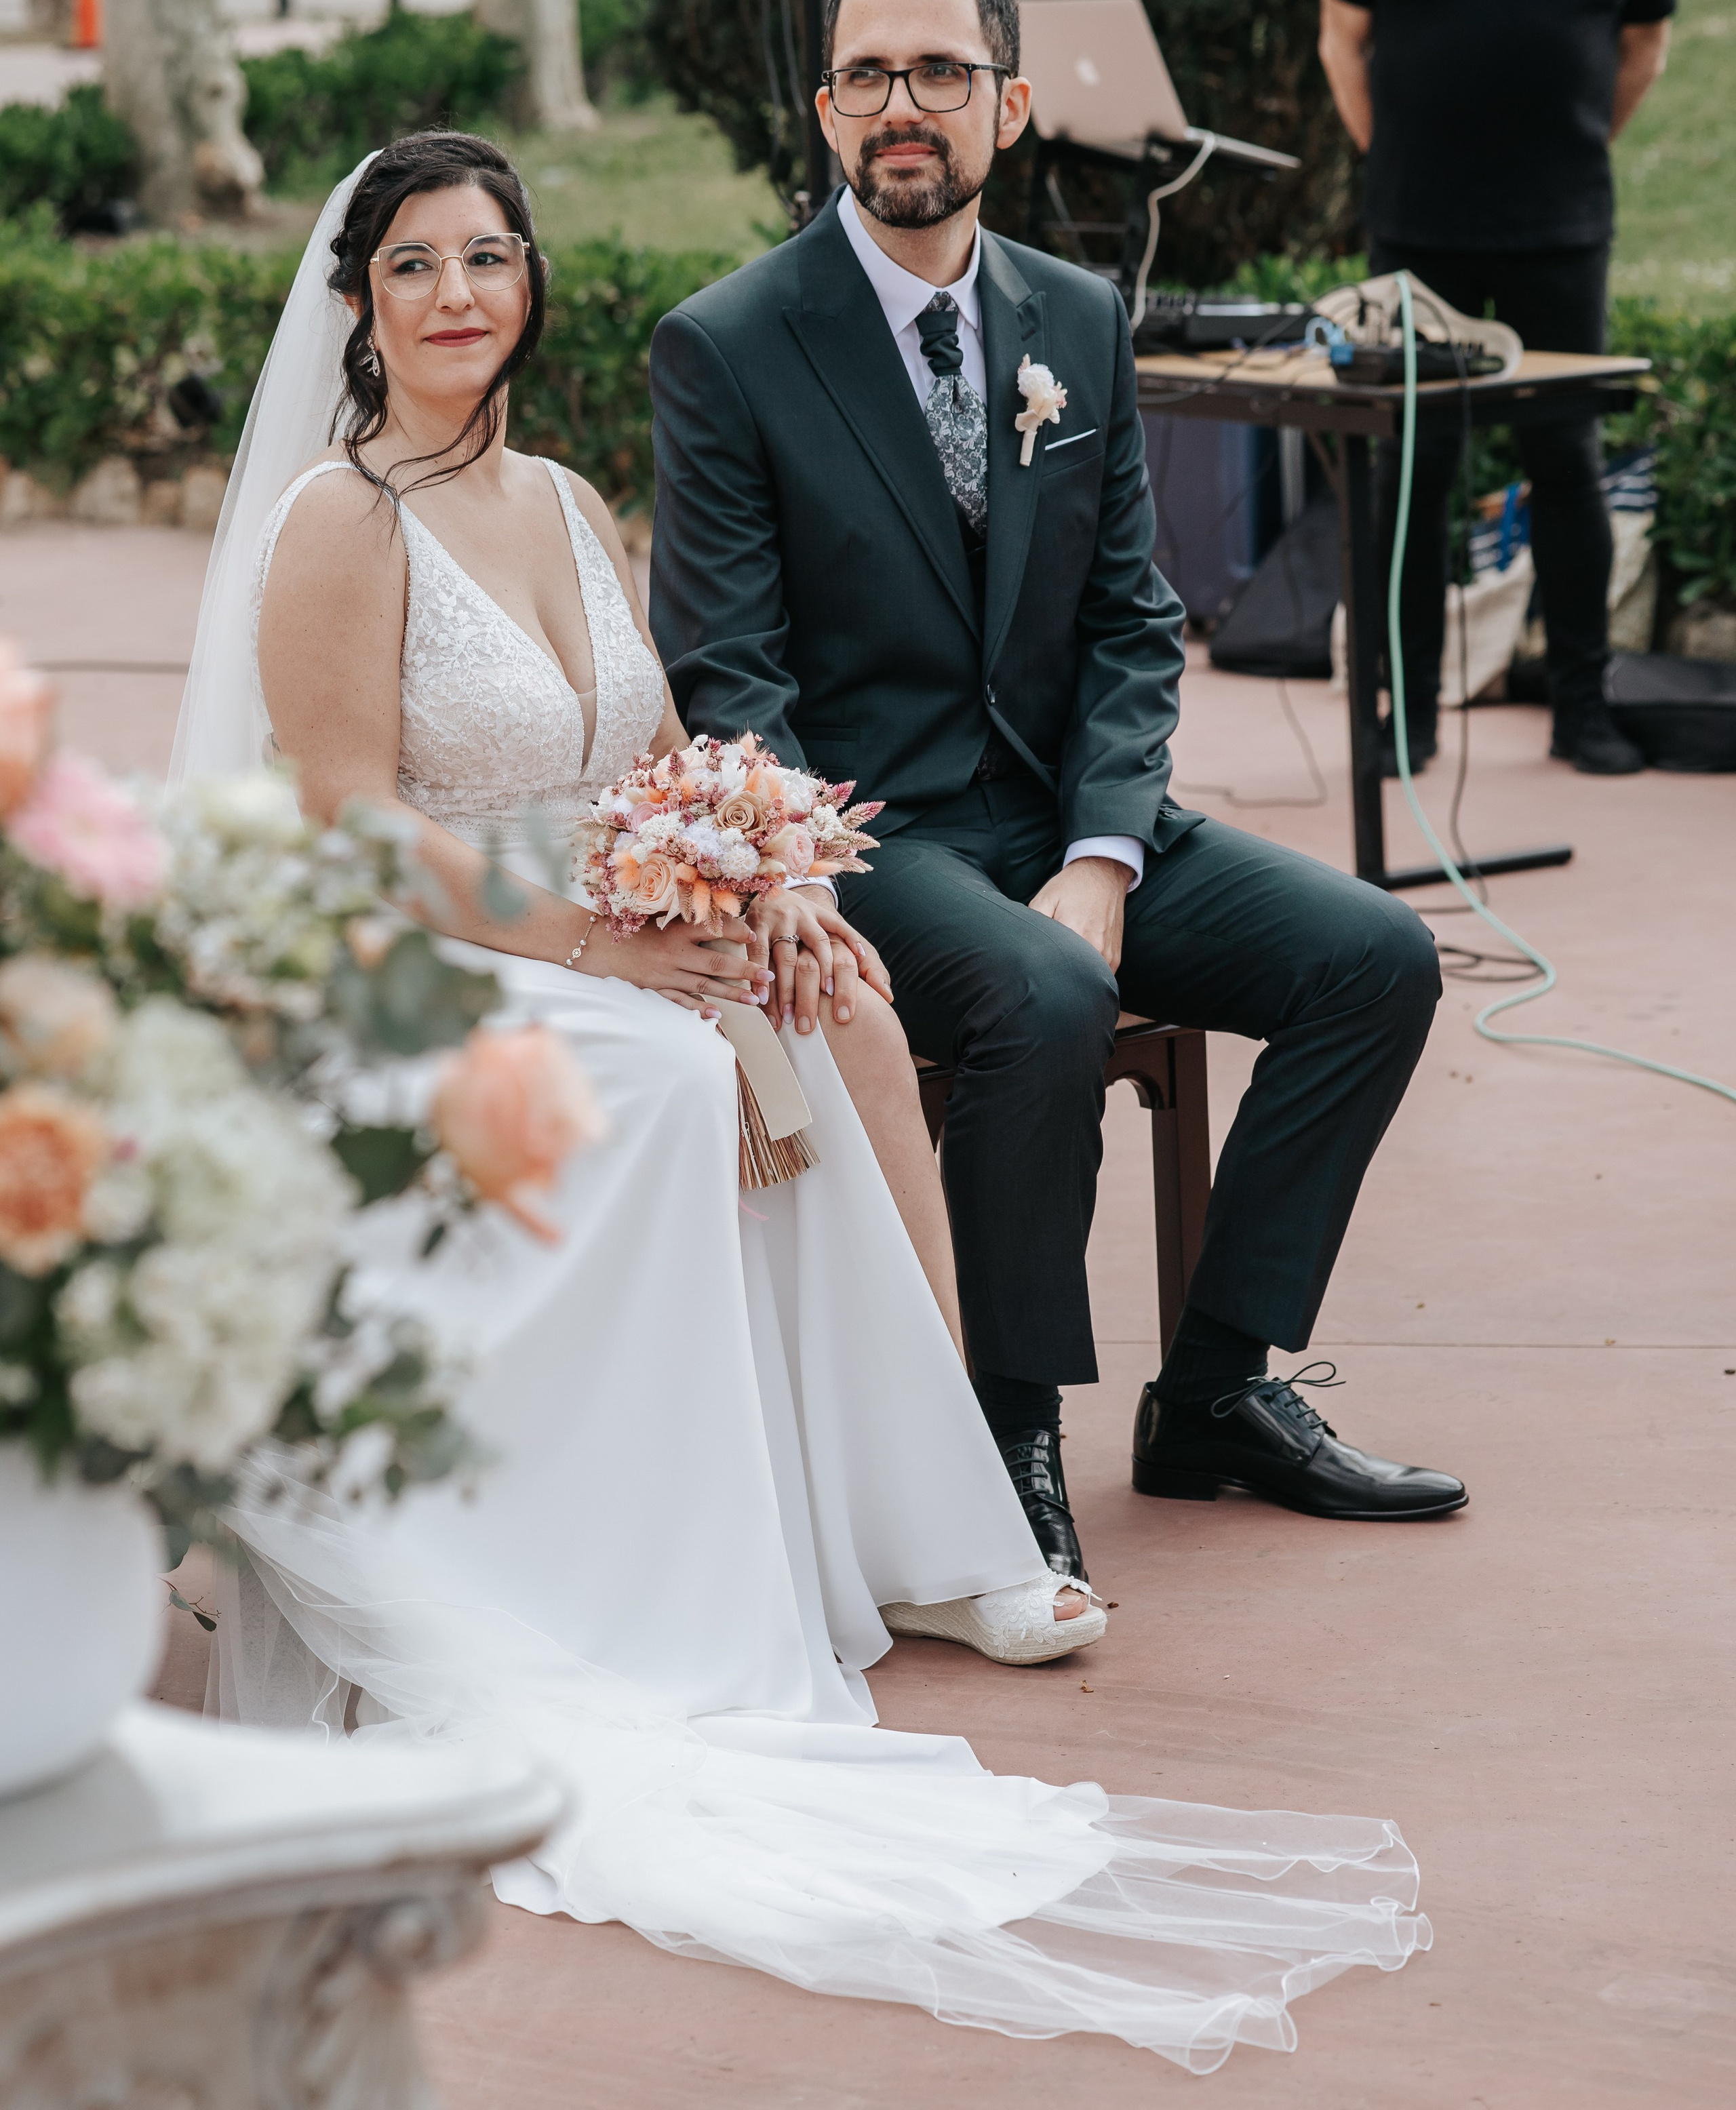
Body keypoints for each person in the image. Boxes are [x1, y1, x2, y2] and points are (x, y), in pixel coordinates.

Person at [170, 131, 1432, 2069]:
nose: (454, 297)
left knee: (832, 1016)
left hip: (611, 915)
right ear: (359, 303)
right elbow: (353, 822)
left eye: (486, 259)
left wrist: (763, 884)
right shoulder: (339, 522)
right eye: (412, 266)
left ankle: (929, 1532)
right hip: (427, 956)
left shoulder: (565, 497)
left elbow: (661, 753)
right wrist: (607, 947)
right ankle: (681, 1577)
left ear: (529, 283)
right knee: (681, 1081)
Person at [649, 0, 1465, 1593]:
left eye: (939, 72)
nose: (902, 105)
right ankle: (1002, 1429)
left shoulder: (1076, 314)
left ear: (1008, 106)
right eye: (867, 74)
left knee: (1374, 957)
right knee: (1041, 989)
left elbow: (1128, 617)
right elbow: (729, 674)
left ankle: (1215, 1388)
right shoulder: (727, 343)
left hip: (1070, 815)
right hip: (873, 833)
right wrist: (802, 870)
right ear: (824, 107)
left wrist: (1103, 853)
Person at [1318, 0, 1675, 778]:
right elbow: (1341, 35)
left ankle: (1583, 711)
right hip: (1418, 228)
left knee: (1567, 461)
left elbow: (1644, 44)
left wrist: (1576, 145)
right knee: (1416, 472)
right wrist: (1391, 155)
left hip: (1561, 227)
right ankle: (1409, 718)